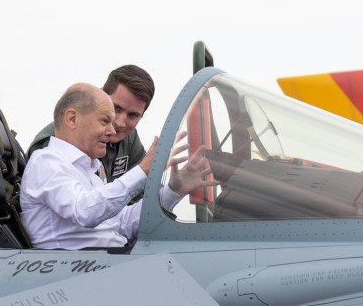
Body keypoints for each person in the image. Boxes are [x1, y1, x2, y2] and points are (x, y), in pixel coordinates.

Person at [20, 83, 216, 249]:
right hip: (77, 277)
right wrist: (143, 170)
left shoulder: (90, 174)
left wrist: (173, 190)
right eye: (105, 121)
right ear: (72, 119)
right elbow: (85, 212)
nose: (112, 130)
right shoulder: (45, 162)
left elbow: (122, 224)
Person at [26, 65, 154, 183]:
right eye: (116, 108)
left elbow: (145, 191)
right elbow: (78, 204)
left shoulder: (129, 139)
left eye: (133, 115)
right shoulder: (55, 142)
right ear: (101, 95)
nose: (119, 123)